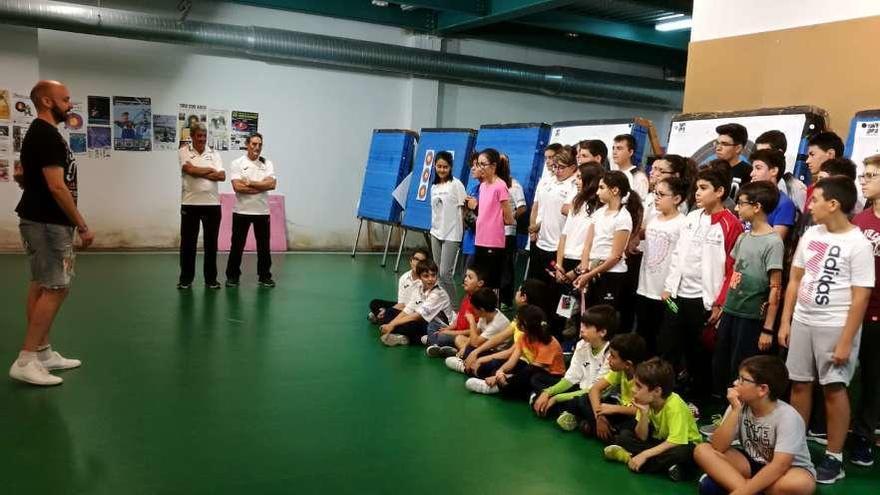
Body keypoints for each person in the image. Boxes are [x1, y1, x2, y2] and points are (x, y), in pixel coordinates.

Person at [778, 176, 874, 484]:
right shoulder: (811, 234)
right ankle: (796, 449)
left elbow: (861, 296)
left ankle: (834, 457)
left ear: (833, 204)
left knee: (834, 388)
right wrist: (785, 320)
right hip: (804, 320)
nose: (810, 205)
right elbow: (795, 279)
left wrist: (846, 340)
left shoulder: (858, 243)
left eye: (815, 199)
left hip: (835, 324)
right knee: (800, 384)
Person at [9, 80, 94, 386]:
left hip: (42, 219)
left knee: (43, 284)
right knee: (56, 288)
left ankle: (42, 352)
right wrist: (82, 225)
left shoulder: (43, 134)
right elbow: (57, 186)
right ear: (47, 101)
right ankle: (26, 358)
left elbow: (25, 175)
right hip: (47, 222)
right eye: (65, 99)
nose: (70, 104)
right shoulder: (45, 135)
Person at [660, 161, 743, 401]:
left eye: (704, 188)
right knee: (670, 345)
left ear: (719, 192)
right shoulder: (691, 217)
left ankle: (698, 400)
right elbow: (677, 254)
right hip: (676, 297)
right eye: (697, 187)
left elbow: (732, 269)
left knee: (699, 352)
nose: (697, 193)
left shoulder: (731, 224)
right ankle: (665, 394)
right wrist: (668, 286)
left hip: (703, 302)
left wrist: (719, 302)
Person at [694, 356, 816, 495]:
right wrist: (735, 411)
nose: (735, 383)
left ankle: (736, 485)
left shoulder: (788, 417)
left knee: (802, 484)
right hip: (752, 463)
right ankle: (751, 489)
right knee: (702, 450)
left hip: (787, 471)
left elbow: (779, 466)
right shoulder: (739, 405)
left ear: (762, 389)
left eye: (742, 380)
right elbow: (717, 446)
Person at [712, 181, 784, 395]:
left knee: (742, 367)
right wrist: (722, 305)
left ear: (757, 207)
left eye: (741, 203)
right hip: (731, 311)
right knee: (721, 363)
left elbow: (776, 288)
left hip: (751, 317)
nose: (737, 208)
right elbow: (733, 273)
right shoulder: (743, 237)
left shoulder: (773, 242)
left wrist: (767, 329)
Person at [603, 358, 701, 481]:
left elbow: (675, 441)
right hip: (662, 442)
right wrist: (643, 414)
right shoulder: (646, 401)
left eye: (639, 387)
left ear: (657, 391)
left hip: (682, 444)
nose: (633, 390)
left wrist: (644, 454)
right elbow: (641, 437)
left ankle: (630, 459)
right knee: (624, 436)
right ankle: (667, 467)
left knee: (684, 453)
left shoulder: (674, 405)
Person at [531, 304, 616, 431]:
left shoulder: (611, 354)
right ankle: (567, 413)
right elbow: (571, 378)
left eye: (587, 326)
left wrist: (556, 397)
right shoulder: (581, 345)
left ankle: (559, 409)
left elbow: (594, 391)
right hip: (579, 388)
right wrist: (547, 392)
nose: (581, 329)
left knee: (579, 402)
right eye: (582, 325)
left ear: (602, 332)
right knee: (537, 378)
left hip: (595, 397)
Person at [445, 278, 551, 377]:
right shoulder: (520, 316)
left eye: (519, 291)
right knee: (471, 349)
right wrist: (475, 352)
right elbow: (500, 337)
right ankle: (475, 368)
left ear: (524, 297)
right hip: (512, 357)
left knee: (490, 365)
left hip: (523, 362)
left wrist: (480, 357)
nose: (516, 293)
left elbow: (511, 352)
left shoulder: (530, 322)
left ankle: (469, 369)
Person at [574, 170, 643, 310]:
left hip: (611, 275)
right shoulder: (599, 213)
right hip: (591, 272)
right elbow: (587, 245)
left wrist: (590, 274)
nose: (598, 192)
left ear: (615, 190)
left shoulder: (623, 218)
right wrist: (584, 269)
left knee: (601, 317)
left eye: (602, 188)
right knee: (585, 313)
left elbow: (615, 256)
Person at [849, 155, 880, 466]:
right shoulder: (859, 221)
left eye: (871, 175)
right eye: (863, 174)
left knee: (873, 379)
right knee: (842, 377)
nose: (864, 180)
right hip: (849, 311)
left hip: (877, 316)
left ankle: (863, 435)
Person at [464, 304, 565, 399]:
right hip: (531, 369)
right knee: (501, 367)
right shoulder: (523, 337)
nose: (516, 322)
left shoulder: (548, 343)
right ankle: (472, 370)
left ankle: (496, 387)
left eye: (519, 320)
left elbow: (534, 369)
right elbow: (512, 360)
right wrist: (500, 372)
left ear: (525, 325)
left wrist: (504, 377)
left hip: (550, 376)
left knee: (532, 379)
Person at [635, 176, 688, 355]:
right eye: (655, 193)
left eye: (662, 194)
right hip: (644, 286)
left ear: (677, 199)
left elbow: (681, 259)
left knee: (662, 336)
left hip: (666, 293)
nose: (656, 198)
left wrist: (670, 288)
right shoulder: (654, 219)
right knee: (643, 333)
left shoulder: (683, 223)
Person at [224, 132, 276, 288]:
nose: (257, 147)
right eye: (254, 144)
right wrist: (260, 186)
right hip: (242, 211)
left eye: (260, 144)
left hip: (262, 212)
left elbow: (272, 184)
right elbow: (237, 187)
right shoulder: (237, 163)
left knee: (264, 246)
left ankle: (264, 276)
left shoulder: (267, 163)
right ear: (247, 144)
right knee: (237, 246)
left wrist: (250, 182)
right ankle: (232, 276)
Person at [177, 122, 225, 289]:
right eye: (199, 136)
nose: (202, 139)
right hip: (190, 204)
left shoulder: (215, 153)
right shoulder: (183, 152)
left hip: (212, 205)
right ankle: (185, 280)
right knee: (188, 244)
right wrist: (209, 170)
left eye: (204, 136)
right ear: (192, 136)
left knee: (211, 244)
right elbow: (189, 171)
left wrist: (197, 169)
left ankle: (211, 280)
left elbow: (222, 176)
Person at [585, 333, 648, 442]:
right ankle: (607, 430)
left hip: (636, 416)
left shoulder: (645, 378)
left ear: (628, 364)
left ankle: (611, 433)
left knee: (627, 432)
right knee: (584, 399)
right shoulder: (621, 371)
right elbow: (594, 389)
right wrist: (599, 417)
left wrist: (615, 409)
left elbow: (645, 411)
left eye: (613, 356)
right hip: (619, 410)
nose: (608, 358)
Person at [528, 146, 578, 285]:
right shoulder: (546, 181)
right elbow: (537, 207)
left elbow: (567, 211)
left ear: (573, 167)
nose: (557, 171)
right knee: (534, 284)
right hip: (540, 242)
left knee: (551, 289)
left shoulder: (574, 185)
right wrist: (534, 228)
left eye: (561, 167)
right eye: (555, 166)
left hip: (558, 246)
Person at [379, 259, 453, 347]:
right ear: (419, 277)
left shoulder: (438, 293)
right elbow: (408, 309)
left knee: (410, 325)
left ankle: (415, 338)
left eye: (433, 275)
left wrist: (392, 324)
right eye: (426, 276)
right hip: (424, 321)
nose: (430, 279)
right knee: (389, 313)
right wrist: (391, 324)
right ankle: (406, 336)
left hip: (439, 327)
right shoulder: (419, 287)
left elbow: (417, 316)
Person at [468, 149, 514, 290]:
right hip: (480, 239)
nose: (480, 167)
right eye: (478, 164)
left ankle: (492, 309)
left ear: (493, 166)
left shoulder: (500, 186)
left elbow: (509, 218)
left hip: (493, 242)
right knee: (480, 279)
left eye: (483, 164)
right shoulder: (482, 186)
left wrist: (495, 222)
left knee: (492, 282)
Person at [429, 151, 467, 300]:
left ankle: (454, 309)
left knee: (445, 273)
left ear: (450, 167)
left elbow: (464, 209)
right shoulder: (434, 187)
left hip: (452, 234)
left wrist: (462, 232)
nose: (442, 169)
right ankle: (441, 305)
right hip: (435, 232)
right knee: (437, 273)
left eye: (445, 167)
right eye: (439, 166)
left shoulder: (456, 184)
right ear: (434, 166)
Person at [423, 265, 485, 355]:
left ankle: (436, 343)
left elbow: (477, 331)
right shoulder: (467, 296)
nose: (465, 279)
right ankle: (440, 346)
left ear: (480, 283)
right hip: (456, 331)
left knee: (442, 337)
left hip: (464, 335)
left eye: (470, 277)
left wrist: (451, 332)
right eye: (466, 276)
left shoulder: (479, 302)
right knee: (433, 326)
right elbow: (458, 319)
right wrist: (448, 328)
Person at [368, 248, 428, 324]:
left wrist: (388, 312)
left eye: (422, 261)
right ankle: (383, 316)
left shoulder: (427, 280)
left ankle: (381, 317)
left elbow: (420, 310)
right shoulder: (404, 277)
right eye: (416, 259)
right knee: (374, 303)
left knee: (411, 322)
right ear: (410, 261)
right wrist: (389, 311)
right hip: (403, 307)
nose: (418, 263)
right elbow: (401, 303)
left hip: (416, 313)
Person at [498, 154, 527, 308]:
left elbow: (522, 208)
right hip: (491, 232)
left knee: (506, 266)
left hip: (508, 232)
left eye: (504, 162)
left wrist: (509, 217)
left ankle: (506, 300)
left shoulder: (514, 185)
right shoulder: (490, 184)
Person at [749, 149, 797, 241]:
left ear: (774, 171)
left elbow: (774, 244)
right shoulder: (749, 197)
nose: (752, 174)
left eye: (758, 168)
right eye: (753, 168)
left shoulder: (785, 204)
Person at [450, 288, 510, 359]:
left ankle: (465, 357)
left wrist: (472, 322)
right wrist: (465, 347)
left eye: (474, 308)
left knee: (470, 348)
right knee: (459, 338)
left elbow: (475, 343)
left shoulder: (497, 324)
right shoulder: (486, 314)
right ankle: (464, 354)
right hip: (482, 344)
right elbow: (477, 333)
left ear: (482, 310)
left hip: (494, 352)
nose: (473, 311)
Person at [715, 123, 751, 198]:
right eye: (717, 143)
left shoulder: (749, 173)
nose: (718, 148)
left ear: (738, 148)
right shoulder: (711, 169)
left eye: (724, 144)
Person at [611, 134, 649, 199]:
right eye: (613, 148)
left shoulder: (638, 177)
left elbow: (639, 206)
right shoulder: (612, 174)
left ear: (630, 152)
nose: (614, 152)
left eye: (619, 148)